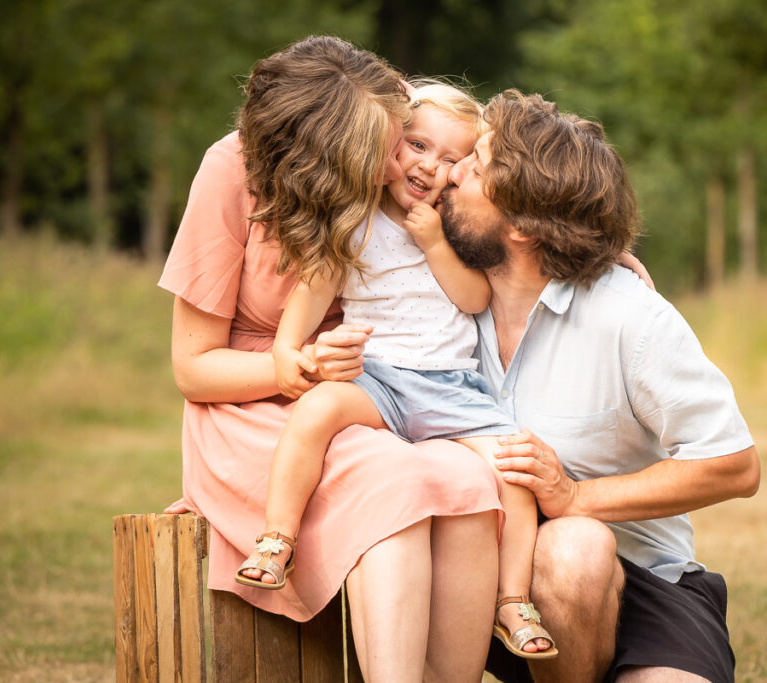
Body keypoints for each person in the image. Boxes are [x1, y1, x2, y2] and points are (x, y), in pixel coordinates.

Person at [158, 37, 504, 682]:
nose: (402, 161)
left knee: (468, 483)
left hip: (387, 389)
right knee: (392, 479)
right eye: (385, 148)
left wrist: (593, 258)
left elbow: (494, 190)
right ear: (326, 152)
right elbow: (194, 369)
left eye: (400, 135)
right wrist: (302, 366)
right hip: (259, 400)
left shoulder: (408, 167)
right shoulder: (232, 171)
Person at [438, 90, 761, 683]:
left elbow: (734, 465)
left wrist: (576, 498)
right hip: (477, 577)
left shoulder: (629, 316)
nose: (450, 171)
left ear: (525, 231)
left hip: (638, 578)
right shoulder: (429, 289)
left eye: (475, 166)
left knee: (577, 546)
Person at [234, 81, 557, 659]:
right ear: (389, 147)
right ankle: (275, 539)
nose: (430, 166)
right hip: (377, 378)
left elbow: (475, 299)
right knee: (314, 411)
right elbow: (313, 291)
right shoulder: (355, 219)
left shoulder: (456, 225)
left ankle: (512, 602)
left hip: (450, 388)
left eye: (453, 159)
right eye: (417, 145)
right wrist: (287, 347)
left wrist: (435, 245)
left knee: (515, 467)